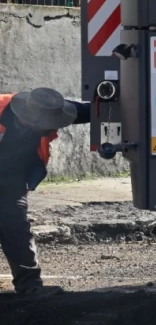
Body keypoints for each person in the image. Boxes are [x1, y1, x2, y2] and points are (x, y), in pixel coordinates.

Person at [0, 88, 90, 298]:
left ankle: (30, 286)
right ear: (25, 116)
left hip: (12, 177)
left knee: (16, 227)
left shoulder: (53, 109)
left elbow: (93, 110)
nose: (48, 128)